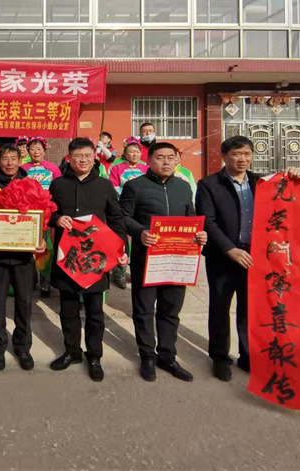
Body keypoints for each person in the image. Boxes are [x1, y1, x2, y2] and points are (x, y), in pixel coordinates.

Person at [196, 136, 300, 381]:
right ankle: (219, 357)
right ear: (224, 156)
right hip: (223, 257)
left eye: (246, 154)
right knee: (220, 308)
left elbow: (288, 199)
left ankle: (247, 355)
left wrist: (293, 176)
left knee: (250, 309)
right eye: (236, 154)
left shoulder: (262, 183)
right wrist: (230, 249)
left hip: (256, 258)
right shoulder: (209, 184)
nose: (242, 159)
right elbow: (207, 222)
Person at [120, 142, 207, 382]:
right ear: (149, 160)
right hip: (147, 258)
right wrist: (140, 232)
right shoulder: (135, 186)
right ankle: (147, 355)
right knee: (144, 310)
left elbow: (191, 217)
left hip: (178, 260)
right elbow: (123, 217)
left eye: (171, 157)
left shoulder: (183, 186)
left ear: (177, 160)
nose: (166, 161)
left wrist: (199, 234)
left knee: (170, 311)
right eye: (160, 157)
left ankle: (167, 356)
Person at [48, 137, 128, 382]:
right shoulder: (58, 184)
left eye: (86, 156)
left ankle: (94, 356)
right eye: (77, 156)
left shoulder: (104, 185)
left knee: (95, 311)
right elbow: (48, 211)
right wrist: (57, 219)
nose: (82, 160)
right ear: (69, 158)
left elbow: (116, 218)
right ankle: (72, 352)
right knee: (68, 309)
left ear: (94, 157)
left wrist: (121, 248)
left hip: (95, 259)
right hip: (67, 258)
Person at [0, 144, 47, 371]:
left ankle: (23, 346)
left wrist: (42, 239)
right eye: (5, 158)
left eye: (13, 158)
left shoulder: (31, 186)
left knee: (24, 302)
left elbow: (42, 216)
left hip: (24, 256)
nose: (9, 163)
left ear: (20, 160)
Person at [22, 137, 62, 297]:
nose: (36, 152)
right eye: (32, 149)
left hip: (47, 213)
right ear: (28, 151)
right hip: (27, 214)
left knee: (46, 247)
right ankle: (30, 280)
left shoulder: (53, 168)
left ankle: (45, 282)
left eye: (39, 149)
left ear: (44, 151)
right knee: (28, 247)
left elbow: (58, 191)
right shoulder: (23, 168)